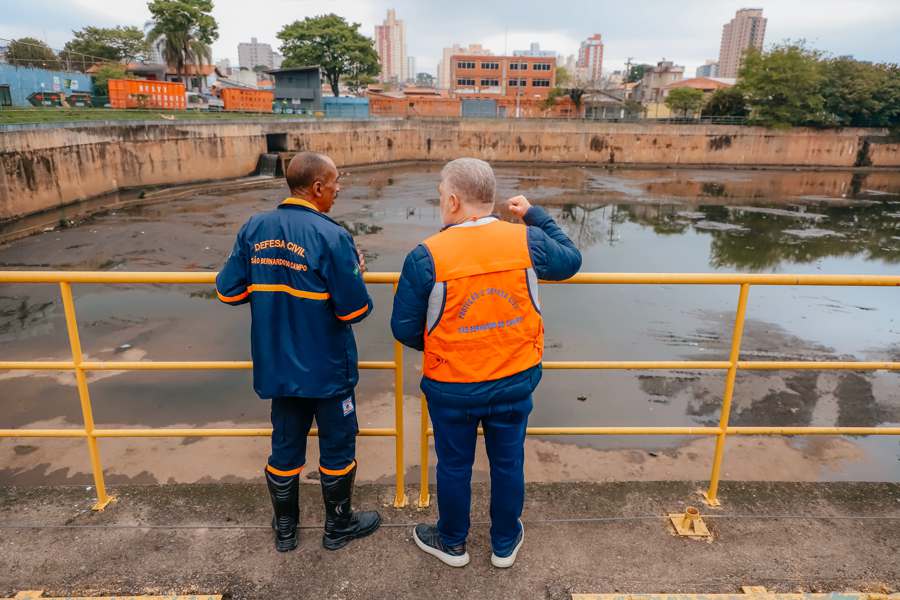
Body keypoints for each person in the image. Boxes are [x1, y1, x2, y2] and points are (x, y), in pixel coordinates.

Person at [391, 158, 582, 568]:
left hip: (452, 387)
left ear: (455, 201)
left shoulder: (427, 255)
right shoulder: (525, 241)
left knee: (454, 464)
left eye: (441, 196)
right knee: (509, 461)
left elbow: (404, 328)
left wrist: (453, 345)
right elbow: (571, 260)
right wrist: (534, 214)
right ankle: (504, 543)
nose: (441, 202)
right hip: (514, 379)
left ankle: (453, 543)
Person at [216, 151, 381, 552]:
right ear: (318, 187)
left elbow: (228, 291)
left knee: (285, 445)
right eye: (336, 181)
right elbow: (355, 309)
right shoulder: (332, 235)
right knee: (338, 446)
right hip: (327, 371)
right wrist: (355, 267)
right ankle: (337, 527)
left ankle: (286, 531)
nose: (339, 189)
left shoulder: (255, 227)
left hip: (278, 368)